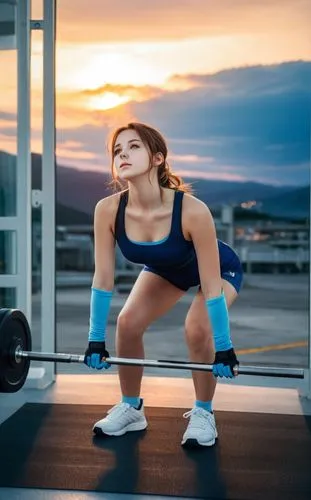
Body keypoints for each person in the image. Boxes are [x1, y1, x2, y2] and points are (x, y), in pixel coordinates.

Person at [84, 122, 243, 448]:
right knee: (127, 323)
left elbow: (211, 286)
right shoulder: (107, 211)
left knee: (196, 329)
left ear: (157, 158)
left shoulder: (192, 211)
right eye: (117, 151)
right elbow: (103, 278)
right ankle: (131, 407)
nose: (123, 154)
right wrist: (95, 340)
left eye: (134, 147)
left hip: (217, 271)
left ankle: (203, 413)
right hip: (166, 269)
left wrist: (224, 348)